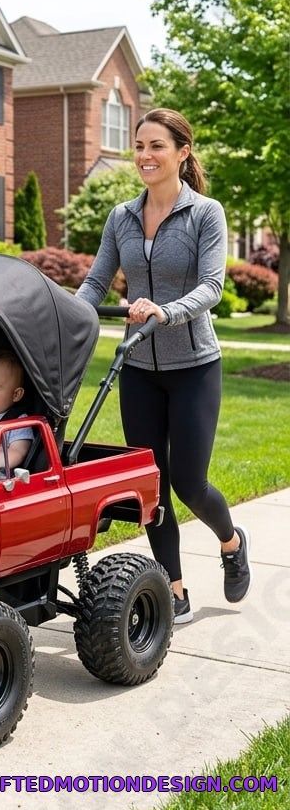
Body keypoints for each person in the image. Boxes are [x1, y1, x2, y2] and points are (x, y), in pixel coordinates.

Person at [76, 107, 250, 625]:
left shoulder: (205, 214)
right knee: (149, 485)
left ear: (182, 152)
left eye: (156, 146)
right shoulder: (122, 216)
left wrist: (165, 311)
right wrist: (64, 313)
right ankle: (173, 589)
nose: (145, 156)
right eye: (139, 146)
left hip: (194, 365)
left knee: (190, 483)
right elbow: (96, 281)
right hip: (138, 367)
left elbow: (212, 287)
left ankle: (231, 541)